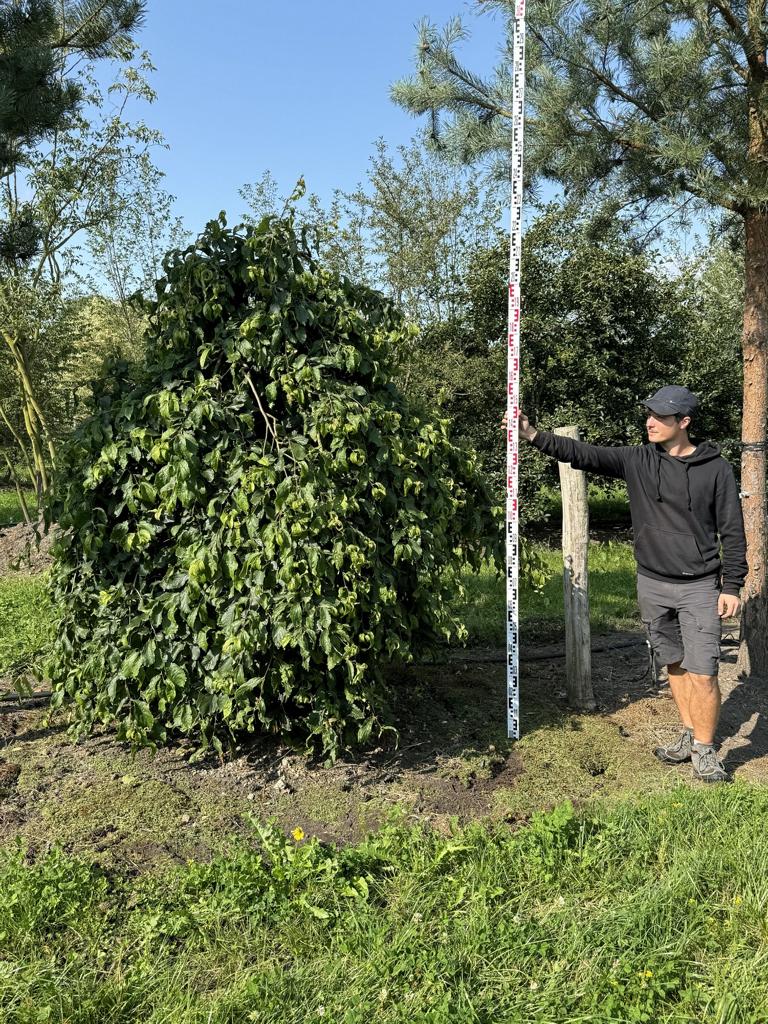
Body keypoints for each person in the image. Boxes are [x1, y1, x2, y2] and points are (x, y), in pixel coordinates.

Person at [506, 386, 747, 783]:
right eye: (648, 414)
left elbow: (732, 531)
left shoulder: (715, 469)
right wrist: (532, 435)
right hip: (651, 582)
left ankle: (706, 750)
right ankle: (688, 735)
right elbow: (584, 454)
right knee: (674, 661)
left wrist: (731, 585)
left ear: (683, 422)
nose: (650, 423)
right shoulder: (637, 460)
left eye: (661, 417)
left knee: (704, 671)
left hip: (699, 585)